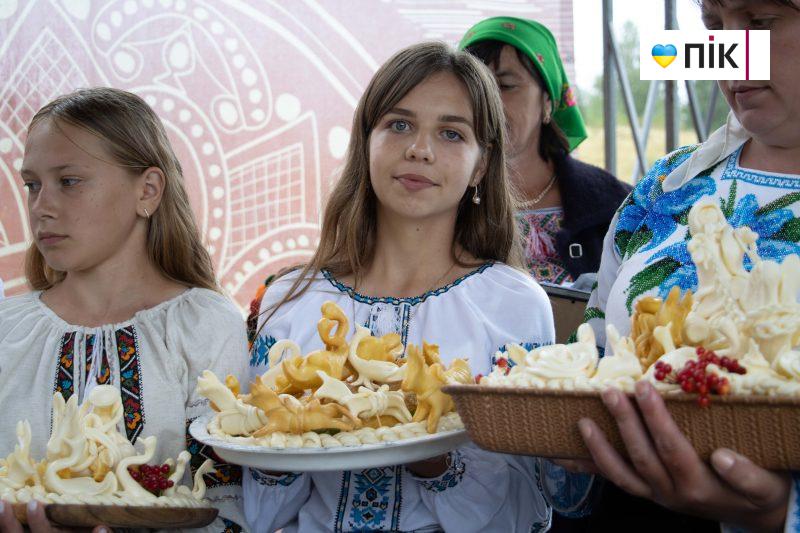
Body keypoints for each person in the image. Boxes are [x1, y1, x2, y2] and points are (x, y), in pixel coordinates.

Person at [245, 41, 593, 532]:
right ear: (366, 141)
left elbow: (526, 514)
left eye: (451, 133)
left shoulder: (511, 305)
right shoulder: (292, 302)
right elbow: (260, 514)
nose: (420, 149)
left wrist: (430, 454)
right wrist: (283, 430)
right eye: (399, 124)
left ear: (480, 165)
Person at [575, 0, 800, 530]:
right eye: (715, 28)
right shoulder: (667, 185)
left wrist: (780, 511)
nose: (733, 52)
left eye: (762, 23)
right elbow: (592, 347)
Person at [0, 88, 249, 531]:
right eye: (32, 185)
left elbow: (231, 506)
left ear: (148, 190)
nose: (41, 207)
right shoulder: (6, 332)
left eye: (69, 181)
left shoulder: (205, 326)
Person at [460, 17, 631, 285]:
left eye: (505, 86)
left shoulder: (618, 206)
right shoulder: (439, 198)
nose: (488, 102)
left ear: (548, 102)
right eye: (476, 88)